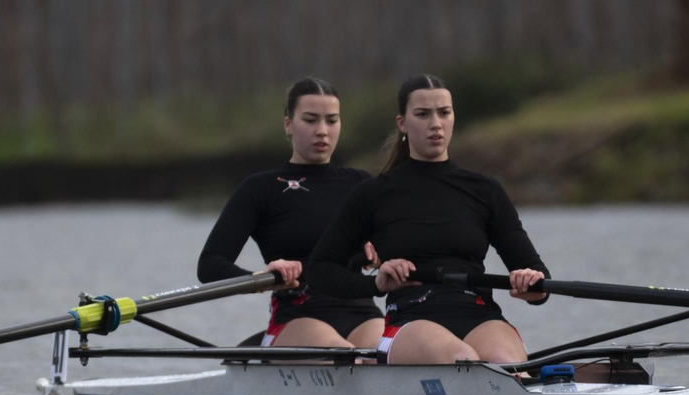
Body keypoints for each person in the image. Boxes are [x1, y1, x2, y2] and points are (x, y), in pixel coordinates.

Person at [306, 74, 548, 364]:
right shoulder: (373, 194)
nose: (436, 123)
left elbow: (534, 272)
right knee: (464, 360)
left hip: (479, 312)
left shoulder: (486, 191)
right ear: (402, 123)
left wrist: (532, 284)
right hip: (410, 318)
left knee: (505, 364)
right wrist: (376, 286)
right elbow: (320, 269)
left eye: (444, 113)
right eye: (423, 114)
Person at [197, 77, 384, 349]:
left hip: (362, 313)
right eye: (310, 120)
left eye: (331, 120)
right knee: (347, 357)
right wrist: (259, 280)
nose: (322, 130)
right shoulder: (261, 188)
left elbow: (401, 248)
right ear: (289, 126)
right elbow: (210, 264)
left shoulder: (361, 184)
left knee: (388, 356)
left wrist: (381, 250)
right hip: (297, 314)